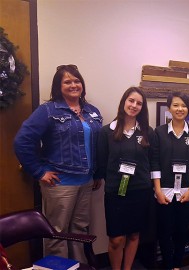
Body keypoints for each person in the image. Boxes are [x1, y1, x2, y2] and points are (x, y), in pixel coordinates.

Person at [14, 64, 103, 262]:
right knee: (57, 233)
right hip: (60, 183)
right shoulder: (48, 110)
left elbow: (98, 145)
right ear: (58, 86)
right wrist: (38, 171)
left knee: (79, 231)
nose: (74, 85)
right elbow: (22, 141)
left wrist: (97, 174)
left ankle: (78, 266)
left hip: (86, 182)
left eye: (77, 80)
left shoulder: (92, 111)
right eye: (67, 81)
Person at [96, 87, 157, 270]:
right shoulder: (107, 132)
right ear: (124, 102)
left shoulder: (148, 132)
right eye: (131, 101)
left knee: (134, 235)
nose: (134, 105)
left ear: (142, 108)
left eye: (139, 103)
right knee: (116, 239)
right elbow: (102, 161)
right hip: (116, 192)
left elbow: (152, 162)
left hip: (140, 191)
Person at [153, 92, 189, 270]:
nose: (179, 109)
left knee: (182, 231)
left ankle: (177, 265)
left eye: (183, 105)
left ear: (188, 109)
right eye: (175, 105)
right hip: (164, 191)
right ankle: (167, 265)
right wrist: (158, 190)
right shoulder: (159, 132)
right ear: (169, 109)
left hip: (185, 191)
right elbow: (155, 162)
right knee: (165, 231)